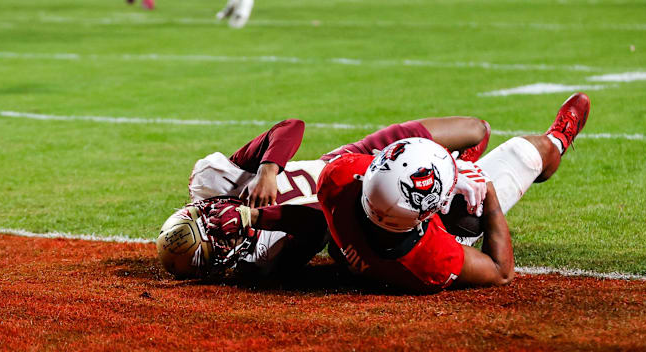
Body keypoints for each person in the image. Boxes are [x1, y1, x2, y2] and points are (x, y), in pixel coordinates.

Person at [317, 93, 590, 292]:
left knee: (473, 133)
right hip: (445, 230)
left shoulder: (337, 178)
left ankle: (459, 162)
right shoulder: (429, 260)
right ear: (429, 212)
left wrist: (452, 171)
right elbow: (501, 272)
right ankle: (558, 140)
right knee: (530, 153)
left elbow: (388, 166)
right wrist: (489, 190)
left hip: (387, 224)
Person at [157, 116, 491, 279]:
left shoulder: (212, 180)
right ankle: (455, 189)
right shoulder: (258, 265)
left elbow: (291, 127)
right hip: (366, 204)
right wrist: (255, 218)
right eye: (217, 237)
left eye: (206, 219)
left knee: (477, 130)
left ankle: (456, 172)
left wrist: (267, 171)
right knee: (467, 218)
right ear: (221, 262)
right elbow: (318, 230)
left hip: (351, 159)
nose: (218, 224)